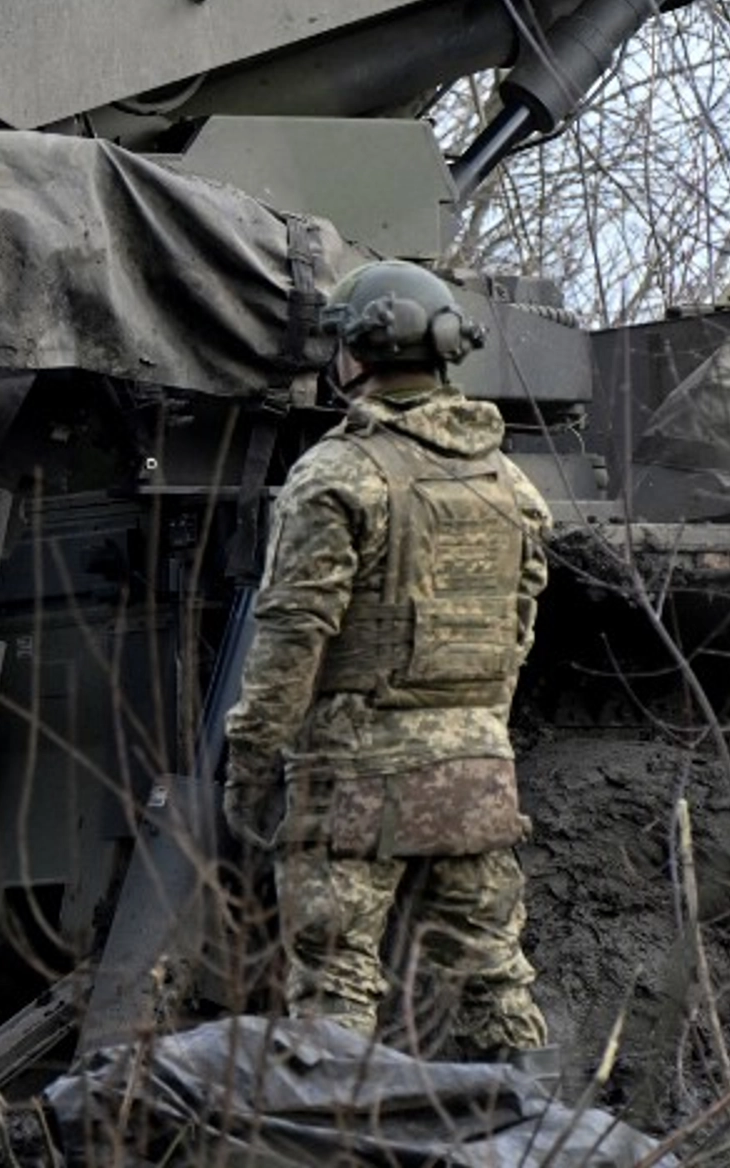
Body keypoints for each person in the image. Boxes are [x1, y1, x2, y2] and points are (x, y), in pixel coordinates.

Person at [220, 259, 553, 1061]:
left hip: (353, 779)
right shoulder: (508, 483)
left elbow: (293, 635)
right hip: (476, 771)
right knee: (495, 987)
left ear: (358, 355)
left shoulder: (338, 475)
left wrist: (252, 763)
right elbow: (516, 629)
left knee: (334, 993)